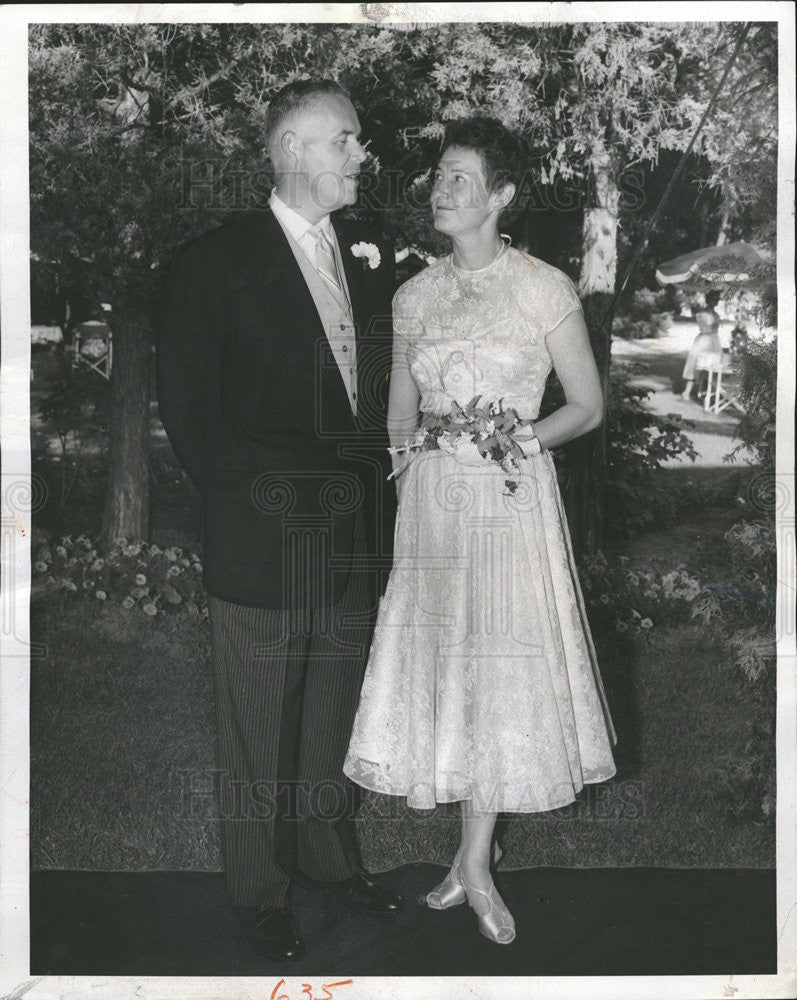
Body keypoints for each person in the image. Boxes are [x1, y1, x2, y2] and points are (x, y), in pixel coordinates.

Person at [343, 117, 617, 945]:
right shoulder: (412, 294)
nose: (441, 188)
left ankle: (474, 862)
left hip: (505, 496)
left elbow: (586, 404)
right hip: (430, 506)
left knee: (495, 667)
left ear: (500, 196)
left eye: (460, 177)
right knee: (443, 660)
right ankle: (468, 858)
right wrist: (398, 466)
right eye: (438, 175)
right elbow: (397, 410)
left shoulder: (542, 288)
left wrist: (515, 439)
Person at [156, 79, 402, 963]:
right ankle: (258, 893)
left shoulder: (361, 255)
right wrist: (249, 506)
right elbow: (187, 409)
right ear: (292, 148)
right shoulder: (213, 260)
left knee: (329, 717)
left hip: (351, 538)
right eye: (345, 140)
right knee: (257, 723)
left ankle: (328, 865)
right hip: (264, 537)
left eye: (358, 142)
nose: (358, 156)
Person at [681, 289, 723, 400]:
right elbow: (706, 325)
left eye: (717, 299)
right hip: (704, 340)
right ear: (709, 300)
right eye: (715, 299)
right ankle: (687, 391)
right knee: (696, 364)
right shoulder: (703, 313)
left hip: (714, 341)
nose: (717, 302)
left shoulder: (715, 314)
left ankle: (705, 392)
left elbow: (715, 327)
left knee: (710, 367)